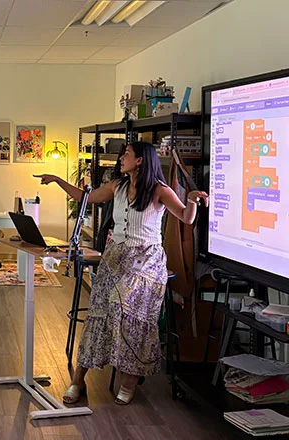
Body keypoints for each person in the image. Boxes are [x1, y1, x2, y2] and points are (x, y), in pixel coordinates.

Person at [34, 142, 208, 405]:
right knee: (98, 310)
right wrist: (58, 180)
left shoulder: (160, 190)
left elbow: (186, 217)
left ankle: (129, 379)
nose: (121, 158)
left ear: (140, 160)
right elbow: (85, 198)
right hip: (116, 255)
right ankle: (78, 380)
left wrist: (193, 200)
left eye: (126, 154)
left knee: (126, 309)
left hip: (146, 260)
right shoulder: (118, 186)